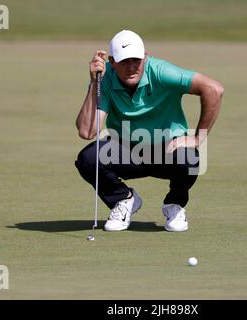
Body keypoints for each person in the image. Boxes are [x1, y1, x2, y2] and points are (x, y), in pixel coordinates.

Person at [75, 30, 224, 232]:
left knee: (190, 159)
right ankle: (124, 200)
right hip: (126, 151)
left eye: (136, 60)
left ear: (145, 56)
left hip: (167, 150)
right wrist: (95, 83)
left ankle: (175, 205)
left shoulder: (162, 72)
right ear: (112, 61)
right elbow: (86, 131)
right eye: (124, 61)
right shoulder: (105, 78)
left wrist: (198, 138)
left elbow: (214, 89)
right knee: (89, 159)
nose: (131, 67)